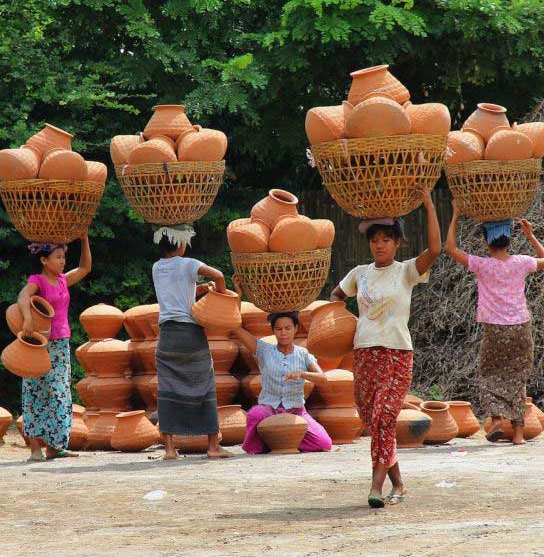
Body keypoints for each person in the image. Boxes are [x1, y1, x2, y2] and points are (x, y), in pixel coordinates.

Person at [329, 185, 441, 508]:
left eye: (386, 239)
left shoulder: (405, 272)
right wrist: (340, 322)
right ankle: (400, 485)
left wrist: (428, 203)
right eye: (375, 240)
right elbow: (337, 297)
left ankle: (375, 486)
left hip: (396, 353)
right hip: (363, 353)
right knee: (374, 420)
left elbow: (435, 249)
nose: (380, 245)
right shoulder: (359, 274)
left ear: (397, 242)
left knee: (384, 416)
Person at [444, 202, 544, 444]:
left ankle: (497, 419)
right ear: (509, 241)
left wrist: (456, 215)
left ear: (486, 242)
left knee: (489, 373)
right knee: (518, 377)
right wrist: (531, 236)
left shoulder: (483, 265)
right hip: (521, 327)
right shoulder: (521, 262)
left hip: (495, 329)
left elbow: (450, 248)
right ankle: (518, 435)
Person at [151, 224, 233, 460]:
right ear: (179, 244)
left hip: (167, 336)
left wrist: (198, 290)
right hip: (190, 335)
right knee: (205, 384)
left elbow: (175, 294)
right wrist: (220, 296)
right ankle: (213, 446)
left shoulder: (157, 268)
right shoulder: (189, 264)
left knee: (167, 387)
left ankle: (169, 449)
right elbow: (219, 275)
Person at [17, 234, 92, 461]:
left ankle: (54, 445)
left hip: (60, 343)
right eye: (58, 257)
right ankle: (34, 449)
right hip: (38, 344)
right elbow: (23, 296)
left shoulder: (62, 280)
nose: (62, 261)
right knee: (34, 390)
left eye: (63, 257)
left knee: (59, 392)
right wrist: (28, 319)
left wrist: (85, 238)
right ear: (43, 260)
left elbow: (85, 267)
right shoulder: (37, 281)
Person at [231, 312, 332, 454]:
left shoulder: (303, 353)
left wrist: (302, 374)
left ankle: (285, 440)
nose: (283, 333)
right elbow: (237, 329)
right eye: (278, 329)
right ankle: (263, 446)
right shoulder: (264, 350)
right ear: (273, 331)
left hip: (296, 411)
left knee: (324, 443)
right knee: (254, 414)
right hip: (269, 409)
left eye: (288, 328)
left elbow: (323, 379)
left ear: (296, 328)